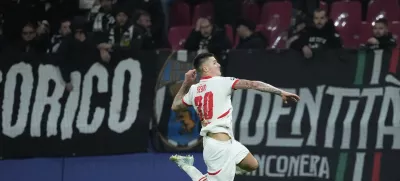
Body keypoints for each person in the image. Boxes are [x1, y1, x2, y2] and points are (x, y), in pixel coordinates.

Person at [169, 53, 301, 181]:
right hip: (218, 147)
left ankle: (216, 171)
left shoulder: (194, 89)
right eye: (214, 63)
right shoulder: (223, 82)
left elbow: (175, 105)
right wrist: (280, 92)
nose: (219, 65)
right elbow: (253, 84)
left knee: (251, 164)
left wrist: (186, 83)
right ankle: (187, 166)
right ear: (205, 68)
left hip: (227, 142)